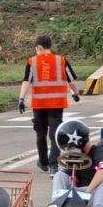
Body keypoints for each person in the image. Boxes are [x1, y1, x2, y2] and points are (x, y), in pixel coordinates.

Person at [18, 35, 80, 176]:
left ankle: (43, 162)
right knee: (55, 135)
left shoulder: (32, 61)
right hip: (56, 104)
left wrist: (21, 98)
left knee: (41, 133)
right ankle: (53, 166)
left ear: (39, 47)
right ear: (49, 46)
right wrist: (75, 94)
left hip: (39, 105)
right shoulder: (61, 60)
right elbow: (71, 80)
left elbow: (26, 81)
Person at [51, 119, 103, 207]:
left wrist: (88, 191)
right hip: (77, 194)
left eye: (70, 148)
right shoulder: (74, 156)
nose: (69, 151)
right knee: (59, 175)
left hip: (96, 194)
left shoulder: (98, 151)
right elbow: (68, 175)